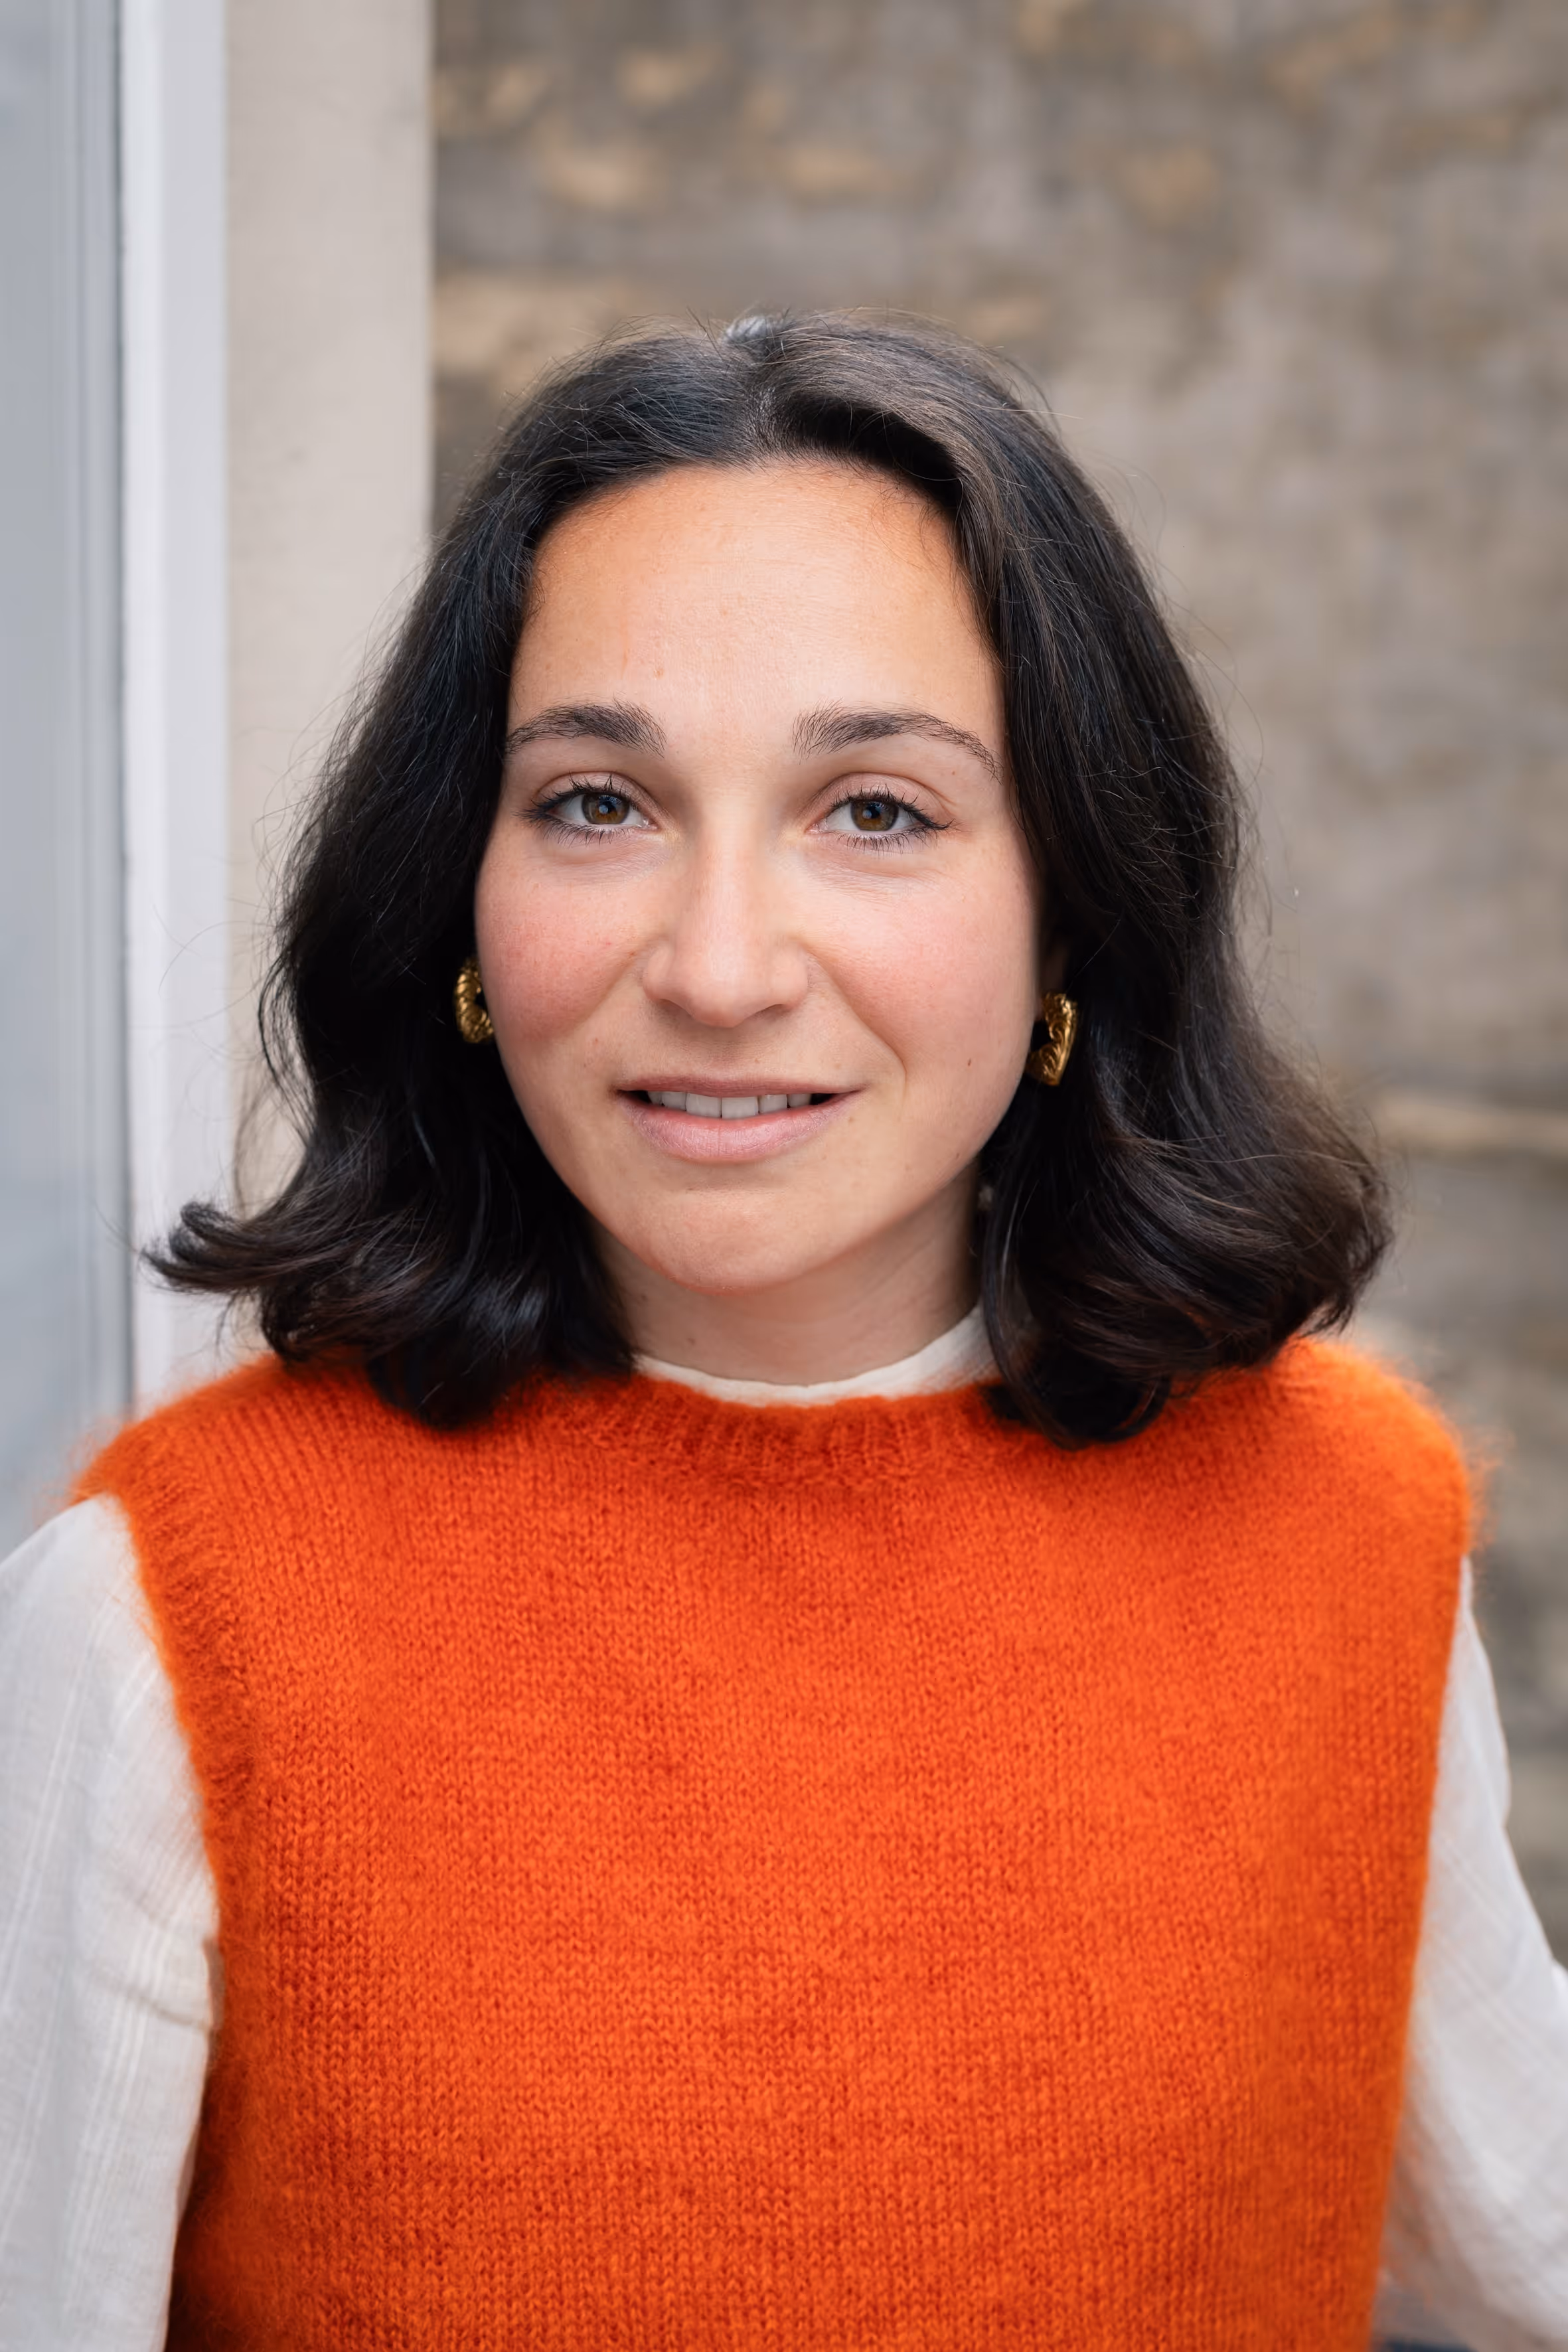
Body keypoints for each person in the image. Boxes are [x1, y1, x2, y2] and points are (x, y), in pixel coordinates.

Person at [1, 313, 1563, 2351]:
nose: (721, 965)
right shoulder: (159, 1620)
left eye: (878, 811)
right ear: (461, 905)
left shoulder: (1342, 1527)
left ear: (1072, 909)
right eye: (595, 803)